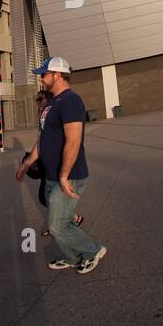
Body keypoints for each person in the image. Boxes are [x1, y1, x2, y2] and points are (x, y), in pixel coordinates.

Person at [14, 55, 106, 274]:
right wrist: (27, 164)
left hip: (69, 174)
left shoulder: (71, 101)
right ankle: (74, 257)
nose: (41, 79)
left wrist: (64, 176)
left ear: (57, 75)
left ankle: (92, 250)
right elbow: (43, 137)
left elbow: (73, 141)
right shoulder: (52, 102)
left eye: (44, 74)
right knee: (61, 221)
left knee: (57, 225)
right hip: (52, 174)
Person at [20, 87, 84, 236]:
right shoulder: (44, 115)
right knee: (48, 197)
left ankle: (67, 221)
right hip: (46, 161)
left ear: (48, 99)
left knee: (48, 197)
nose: (38, 103)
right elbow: (42, 140)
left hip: (56, 162)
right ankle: (62, 221)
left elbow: (69, 140)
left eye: (40, 99)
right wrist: (28, 162)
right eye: (37, 100)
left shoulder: (57, 111)